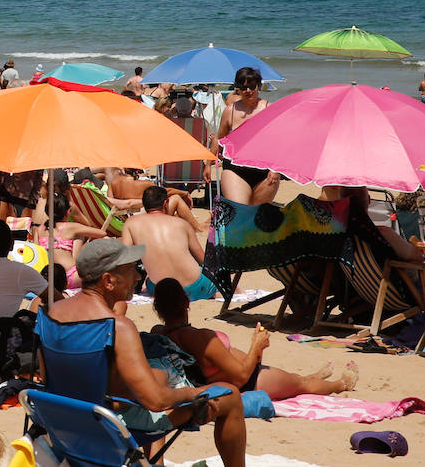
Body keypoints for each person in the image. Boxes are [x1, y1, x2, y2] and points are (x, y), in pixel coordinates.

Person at [49, 240, 246, 467]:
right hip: (112, 421)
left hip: (66, 417)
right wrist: (192, 393)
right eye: (132, 269)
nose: (137, 277)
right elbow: (156, 401)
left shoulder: (52, 313)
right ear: (108, 281)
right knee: (229, 394)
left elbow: (48, 377)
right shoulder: (118, 327)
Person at [151, 277, 356, 399]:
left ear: (157, 309)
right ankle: (341, 385)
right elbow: (240, 375)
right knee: (302, 385)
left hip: (234, 376)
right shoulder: (200, 339)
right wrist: (256, 346)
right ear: (186, 302)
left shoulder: (159, 334)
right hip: (247, 380)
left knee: (295, 379)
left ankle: (315, 375)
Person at [121, 186, 214, 301]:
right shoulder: (182, 224)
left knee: (149, 282)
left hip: (162, 291)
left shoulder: (131, 223)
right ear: (166, 203)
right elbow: (204, 261)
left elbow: (125, 258)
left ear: (144, 205)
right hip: (198, 287)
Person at [214, 67, 280, 204]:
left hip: (264, 170)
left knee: (256, 214)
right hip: (235, 169)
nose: (248, 91)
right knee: (240, 210)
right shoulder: (230, 111)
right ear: (238, 88)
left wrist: (275, 169)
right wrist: (207, 163)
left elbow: (280, 143)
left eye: (251, 86)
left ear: (258, 86)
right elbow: (219, 138)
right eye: (243, 87)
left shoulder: (269, 109)